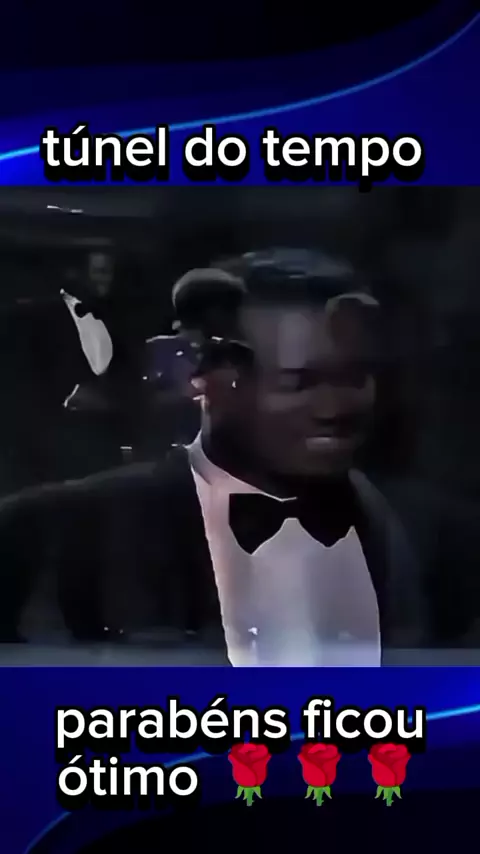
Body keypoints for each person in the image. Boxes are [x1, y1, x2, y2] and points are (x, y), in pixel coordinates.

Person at [0, 249, 475, 663]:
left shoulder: (443, 542)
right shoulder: (50, 535)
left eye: (355, 378)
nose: (335, 408)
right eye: (298, 383)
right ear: (211, 382)